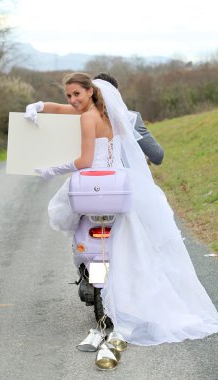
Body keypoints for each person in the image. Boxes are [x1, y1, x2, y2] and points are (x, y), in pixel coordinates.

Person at [25, 72, 218, 346]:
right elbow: (157, 155)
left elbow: (84, 159)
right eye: (69, 95)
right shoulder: (123, 117)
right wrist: (39, 106)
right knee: (138, 241)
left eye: (76, 94)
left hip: (94, 184)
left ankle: (88, 276)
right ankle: (137, 296)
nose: (72, 100)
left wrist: (51, 169)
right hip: (121, 184)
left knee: (72, 214)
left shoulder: (88, 117)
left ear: (91, 91)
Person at [93, 72, 164, 165]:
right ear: (115, 94)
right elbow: (156, 154)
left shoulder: (83, 118)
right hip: (125, 176)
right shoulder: (131, 118)